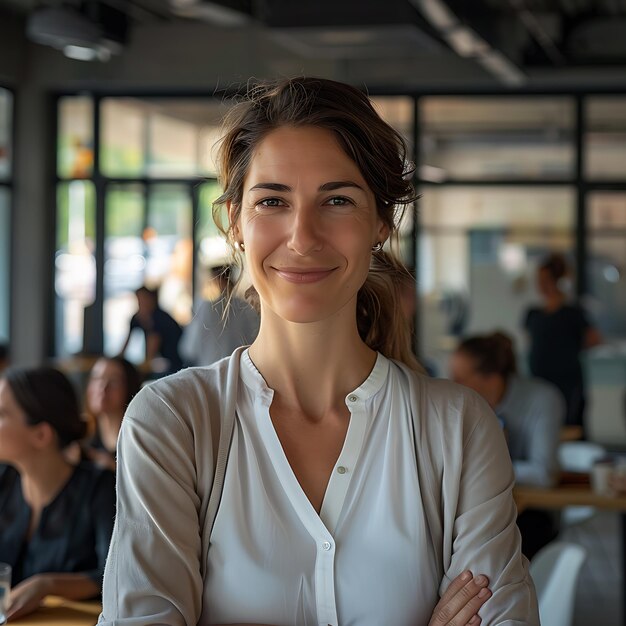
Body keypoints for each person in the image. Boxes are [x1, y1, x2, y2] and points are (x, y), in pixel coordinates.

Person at [99, 77, 538, 626]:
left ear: (381, 222)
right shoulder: (172, 423)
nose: (303, 237)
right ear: (236, 222)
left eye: (336, 200)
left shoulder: (457, 426)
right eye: (272, 201)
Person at [0, 366, 115, 620]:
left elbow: (114, 572)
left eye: (2, 414)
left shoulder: (100, 489)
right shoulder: (4, 480)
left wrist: (48, 585)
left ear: (41, 435)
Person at [450, 331, 564, 559]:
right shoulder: (459, 405)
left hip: (531, 512)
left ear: (491, 379)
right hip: (479, 509)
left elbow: (544, 474)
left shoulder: (543, 399)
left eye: (459, 379)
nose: (450, 384)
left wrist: (483, 472)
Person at [524, 253, 602, 434]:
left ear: (556, 280)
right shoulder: (533, 313)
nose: (541, 285)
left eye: (545, 280)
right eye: (539, 280)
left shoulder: (572, 313)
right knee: (542, 426)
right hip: (540, 378)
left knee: (569, 426)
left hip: (567, 382)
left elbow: (594, 339)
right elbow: (531, 342)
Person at [180, 265, 259, 366]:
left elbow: (189, 348)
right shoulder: (245, 308)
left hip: (209, 369)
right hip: (239, 368)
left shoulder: (206, 308)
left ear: (215, 281)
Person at [81, 356, 142, 470]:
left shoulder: (138, 442)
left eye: (114, 381)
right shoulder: (81, 438)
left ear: (129, 388)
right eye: (97, 378)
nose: (102, 387)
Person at [119, 285, 183, 375]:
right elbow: (126, 343)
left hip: (175, 361)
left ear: (151, 300)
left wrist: (146, 364)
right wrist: (117, 361)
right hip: (160, 362)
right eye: (139, 300)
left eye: (144, 299)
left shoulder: (160, 317)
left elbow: (154, 343)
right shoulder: (137, 317)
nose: (142, 303)